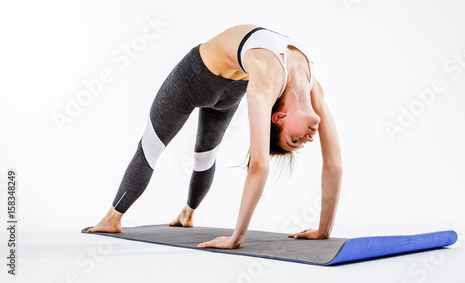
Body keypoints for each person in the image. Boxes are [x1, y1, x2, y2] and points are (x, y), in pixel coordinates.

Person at [87, 24, 343, 249]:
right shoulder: (283, 82)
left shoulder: (285, 84)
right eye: (295, 141)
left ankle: (188, 213)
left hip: (233, 88)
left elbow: (334, 164)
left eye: (295, 141)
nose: (308, 139)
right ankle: (112, 218)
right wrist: (237, 238)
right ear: (278, 118)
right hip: (194, 77)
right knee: (151, 147)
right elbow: (259, 165)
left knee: (205, 156)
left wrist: (324, 230)